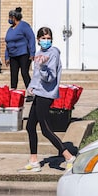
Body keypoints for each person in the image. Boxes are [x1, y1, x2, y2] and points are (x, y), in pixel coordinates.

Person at [20, 27, 76, 172]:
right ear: (38, 40)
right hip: (38, 93)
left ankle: (68, 156)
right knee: (30, 126)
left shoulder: (53, 54)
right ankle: (33, 161)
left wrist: (43, 66)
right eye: (43, 38)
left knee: (45, 129)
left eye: (48, 38)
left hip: (47, 95)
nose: (46, 40)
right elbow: (36, 76)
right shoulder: (39, 54)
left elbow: (50, 77)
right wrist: (31, 87)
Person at [5, 7, 36, 97]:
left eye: (10, 17)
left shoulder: (24, 25)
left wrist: (32, 53)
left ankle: (31, 93)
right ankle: (13, 93)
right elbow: (8, 43)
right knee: (13, 74)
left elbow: (31, 38)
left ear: (14, 17)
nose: (9, 19)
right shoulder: (10, 29)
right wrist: (7, 57)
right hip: (13, 55)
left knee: (24, 72)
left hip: (24, 53)